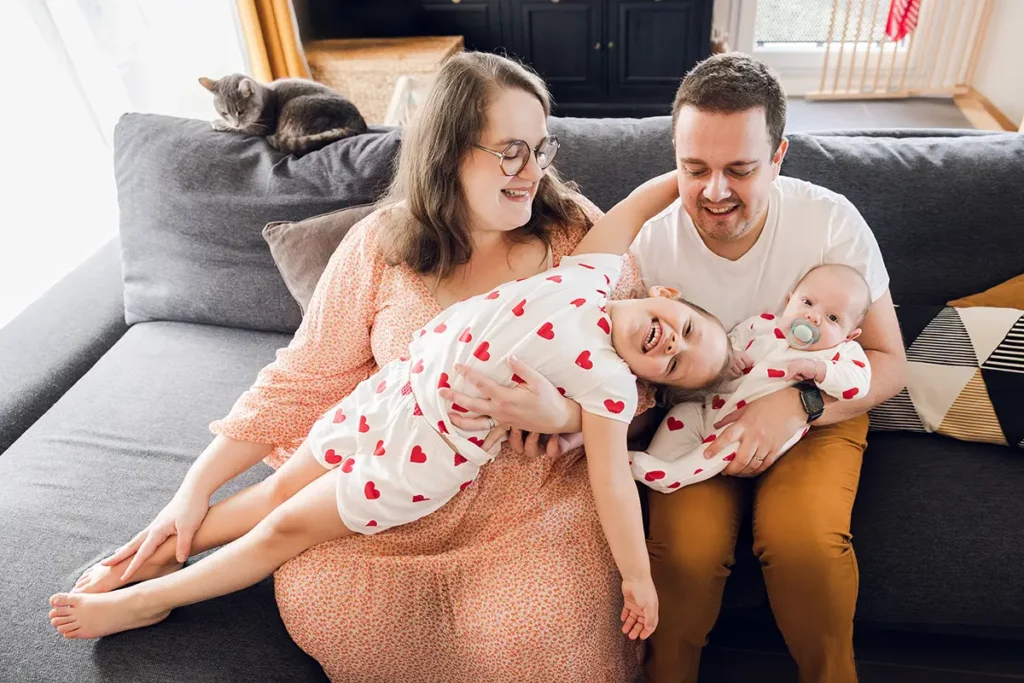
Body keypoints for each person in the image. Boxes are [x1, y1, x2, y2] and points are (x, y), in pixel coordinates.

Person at [59, 51, 672, 682]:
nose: (531, 173)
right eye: (511, 150)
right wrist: (191, 491)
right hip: (392, 480)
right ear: (451, 150)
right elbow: (301, 379)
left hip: (530, 504)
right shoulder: (382, 245)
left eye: (541, 149)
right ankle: (154, 562)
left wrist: (563, 414)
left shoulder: (577, 235)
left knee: (535, 637)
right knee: (326, 597)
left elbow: (649, 377)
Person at [49, 171, 736, 641]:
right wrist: (701, 178)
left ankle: (147, 599)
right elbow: (642, 204)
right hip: (387, 396)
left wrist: (639, 578)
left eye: (674, 363)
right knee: (278, 486)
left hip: (421, 456)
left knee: (285, 524)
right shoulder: (594, 270)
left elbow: (613, 485)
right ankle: (156, 555)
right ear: (668, 301)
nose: (668, 344)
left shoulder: (610, 386)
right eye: (685, 330)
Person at [444, 53, 907, 683]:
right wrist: (574, 419)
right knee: (684, 555)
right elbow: (601, 348)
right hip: (695, 419)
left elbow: (889, 363)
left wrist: (799, 405)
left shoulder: (832, 223)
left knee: (803, 547)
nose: (715, 192)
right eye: (696, 169)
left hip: (813, 407)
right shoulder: (649, 244)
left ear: (778, 157)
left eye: (741, 169)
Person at [630, 263, 872, 493]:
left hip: (756, 432)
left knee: (726, 444)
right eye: (807, 302)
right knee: (682, 415)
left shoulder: (839, 352)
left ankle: (669, 477)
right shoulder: (761, 325)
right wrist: (730, 357)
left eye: (832, 318)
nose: (813, 317)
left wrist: (820, 370)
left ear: (851, 335)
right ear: (788, 302)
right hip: (709, 408)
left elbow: (858, 384)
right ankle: (651, 461)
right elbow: (724, 347)